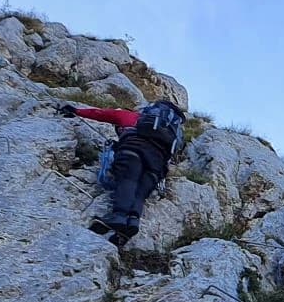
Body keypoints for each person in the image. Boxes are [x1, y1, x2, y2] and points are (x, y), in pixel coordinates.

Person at [58, 100, 187, 246]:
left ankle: (119, 217)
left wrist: (76, 111)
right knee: (140, 193)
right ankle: (132, 222)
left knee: (128, 180)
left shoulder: (132, 116)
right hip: (158, 165)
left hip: (134, 150)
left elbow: (101, 114)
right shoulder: (172, 132)